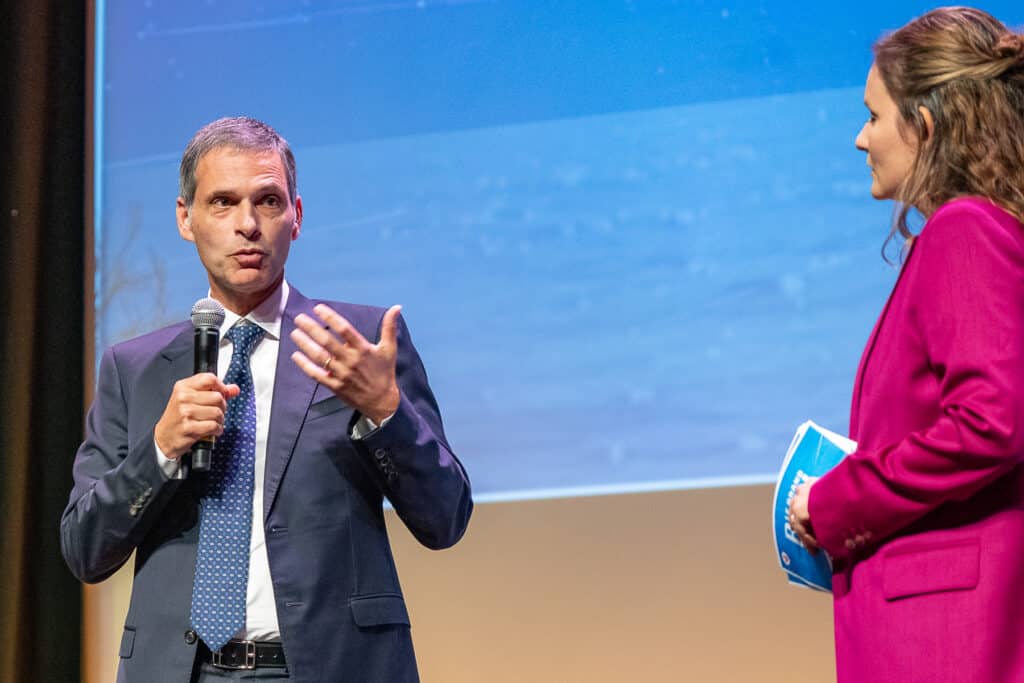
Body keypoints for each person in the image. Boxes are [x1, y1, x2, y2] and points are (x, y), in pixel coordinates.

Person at [61, 116, 473, 682]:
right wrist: (158, 449)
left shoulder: (360, 344)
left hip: (332, 668)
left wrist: (385, 412)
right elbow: (85, 549)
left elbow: (445, 519)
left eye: (269, 202)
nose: (247, 225)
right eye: (223, 203)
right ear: (186, 218)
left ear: (297, 216)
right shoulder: (132, 370)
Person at [787, 7, 1024, 682]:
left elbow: (992, 421)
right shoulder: (974, 234)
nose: (861, 139)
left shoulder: (965, 230)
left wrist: (834, 500)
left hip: (945, 640)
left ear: (923, 124)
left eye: (872, 116)